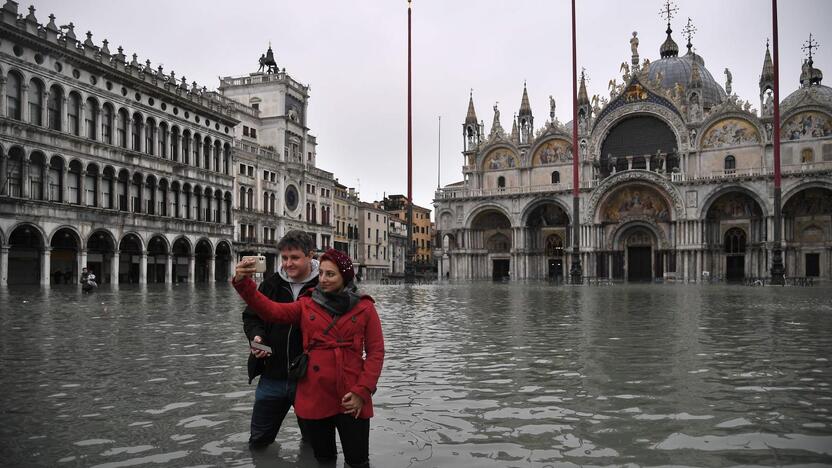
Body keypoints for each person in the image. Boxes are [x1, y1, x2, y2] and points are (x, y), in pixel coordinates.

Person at [233, 248, 384, 468]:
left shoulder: (365, 307)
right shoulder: (307, 304)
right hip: (315, 393)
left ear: (345, 276)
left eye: (330, 274)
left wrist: (362, 391)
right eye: (321, 273)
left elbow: (376, 352)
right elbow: (271, 311)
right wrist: (243, 283)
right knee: (323, 459)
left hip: (352, 394)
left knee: (358, 461)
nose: (322, 279)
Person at [242, 230, 319, 449]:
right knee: (258, 442)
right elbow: (251, 316)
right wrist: (257, 339)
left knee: (314, 444)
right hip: (271, 375)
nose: (288, 264)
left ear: (310, 255)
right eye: (284, 258)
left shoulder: (324, 286)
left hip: (309, 380)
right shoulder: (270, 284)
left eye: (294, 258)